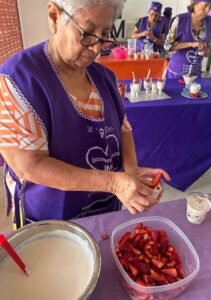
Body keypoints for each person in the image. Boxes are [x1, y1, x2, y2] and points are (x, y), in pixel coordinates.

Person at [0, 0, 170, 228]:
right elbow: (29, 165)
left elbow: (123, 130)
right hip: (51, 220)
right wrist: (114, 184)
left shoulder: (105, 78)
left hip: (104, 211)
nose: (97, 48)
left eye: (105, 34)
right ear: (54, 16)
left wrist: (131, 172)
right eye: (87, 33)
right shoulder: (16, 80)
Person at [164, 0, 211, 79]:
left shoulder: (210, 22)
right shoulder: (179, 20)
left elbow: (209, 52)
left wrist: (205, 51)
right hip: (176, 74)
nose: (208, 10)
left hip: (195, 75)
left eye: (210, 6)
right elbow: (167, 46)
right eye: (204, 6)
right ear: (194, 4)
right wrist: (191, 44)